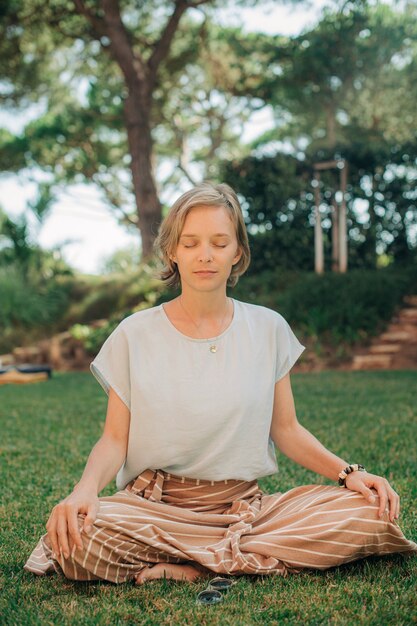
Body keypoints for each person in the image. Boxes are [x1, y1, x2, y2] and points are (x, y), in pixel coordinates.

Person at [24, 182, 417, 585]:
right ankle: (228, 558)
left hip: (245, 509)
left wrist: (348, 472)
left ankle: (192, 566)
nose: (205, 255)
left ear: (237, 253)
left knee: (367, 513)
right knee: (76, 539)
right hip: (155, 510)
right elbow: (113, 439)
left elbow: (286, 429)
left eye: (219, 242)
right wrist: (85, 491)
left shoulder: (268, 328)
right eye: (190, 243)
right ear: (172, 252)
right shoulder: (134, 334)